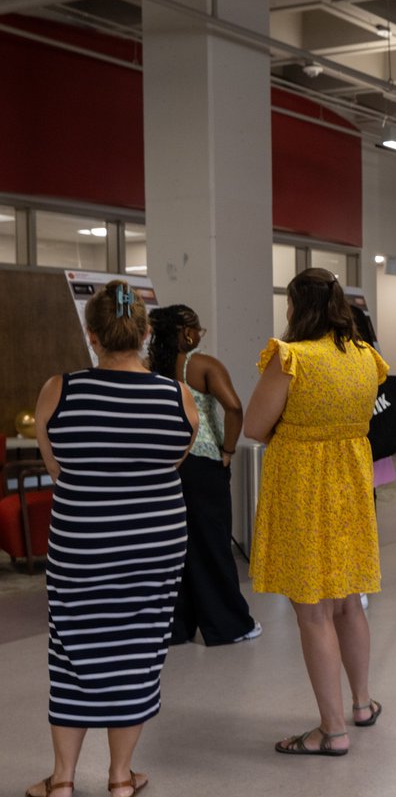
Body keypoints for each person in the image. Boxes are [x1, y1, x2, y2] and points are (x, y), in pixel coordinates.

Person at [28, 280, 198, 797]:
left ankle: (62, 780)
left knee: (71, 650)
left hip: (82, 544)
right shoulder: (177, 396)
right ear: (146, 333)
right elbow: (172, 465)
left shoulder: (60, 389)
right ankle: (121, 777)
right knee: (139, 652)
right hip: (154, 545)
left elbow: (58, 472)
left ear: (92, 334)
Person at [244, 268, 389, 757]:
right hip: (350, 484)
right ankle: (362, 704)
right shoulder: (367, 358)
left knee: (313, 611)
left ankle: (331, 730)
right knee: (348, 600)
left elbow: (255, 425)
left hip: (304, 486)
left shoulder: (291, 358)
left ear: (296, 307)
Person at [147, 305, 261, 647]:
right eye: (198, 329)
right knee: (212, 545)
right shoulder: (202, 365)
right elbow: (234, 407)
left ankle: (178, 627)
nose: (200, 335)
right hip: (203, 464)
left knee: (176, 548)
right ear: (186, 332)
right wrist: (227, 450)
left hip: (167, 466)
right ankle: (228, 625)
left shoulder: (152, 367)